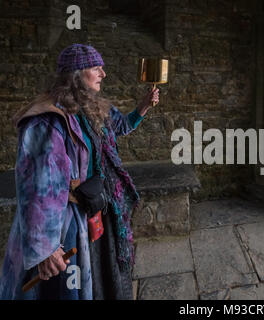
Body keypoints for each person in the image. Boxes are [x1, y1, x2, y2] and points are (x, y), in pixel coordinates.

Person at [0, 44, 159, 299]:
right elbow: (39, 189)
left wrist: (142, 108)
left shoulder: (94, 106)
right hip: (64, 225)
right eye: (96, 68)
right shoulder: (49, 119)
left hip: (95, 212)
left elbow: (120, 127)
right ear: (76, 74)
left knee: (100, 282)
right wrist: (46, 249)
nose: (103, 74)